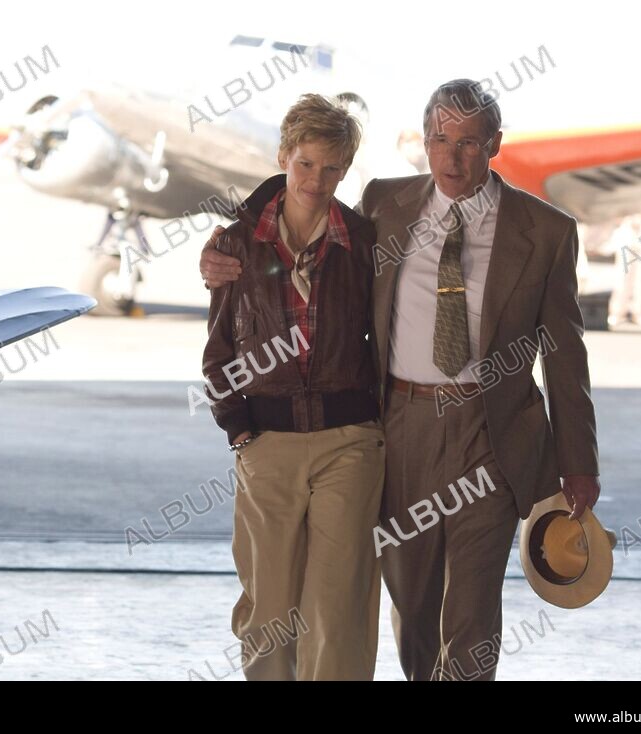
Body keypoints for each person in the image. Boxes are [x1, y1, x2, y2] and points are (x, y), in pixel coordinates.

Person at [202, 79, 601, 681]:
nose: (452, 156)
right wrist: (225, 241)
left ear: (494, 143)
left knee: (471, 609)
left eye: (468, 142)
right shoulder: (386, 206)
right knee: (411, 607)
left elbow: (567, 356)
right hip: (400, 426)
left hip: (492, 433)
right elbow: (300, 200)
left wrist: (579, 462)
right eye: (439, 139)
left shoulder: (545, 231)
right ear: (424, 140)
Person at [201, 93, 386, 681]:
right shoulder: (237, 245)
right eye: (306, 163)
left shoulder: (363, 242)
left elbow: (384, 337)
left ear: (347, 170)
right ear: (284, 156)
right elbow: (218, 351)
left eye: (332, 168)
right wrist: (239, 429)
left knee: (339, 607)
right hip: (267, 442)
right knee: (269, 606)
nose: (317, 179)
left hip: (350, 441)